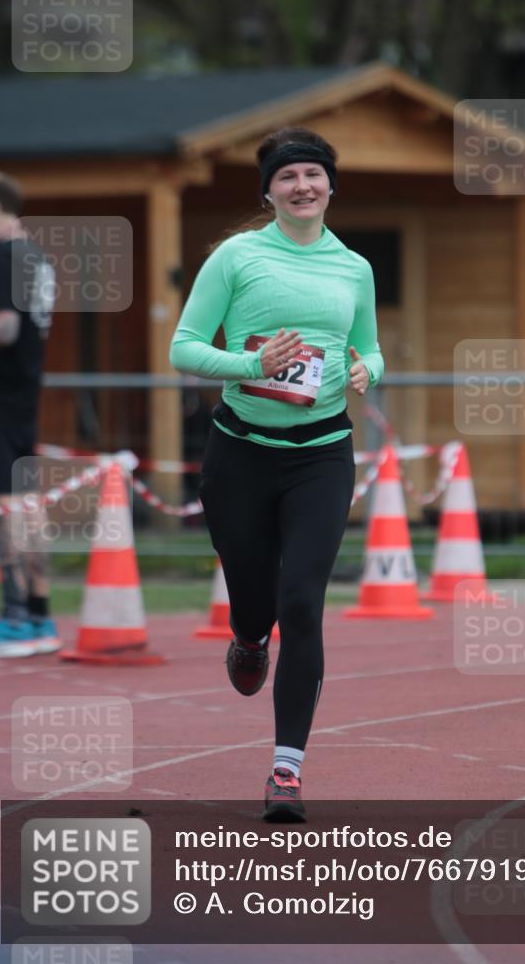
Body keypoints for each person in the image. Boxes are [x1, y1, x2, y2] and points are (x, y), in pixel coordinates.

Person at [170, 127, 384, 822]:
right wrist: (250, 367)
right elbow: (184, 347)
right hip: (240, 452)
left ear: (330, 186)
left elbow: (372, 349)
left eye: (313, 175)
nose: (302, 186)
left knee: (302, 601)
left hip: (321, 454)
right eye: (288, 176)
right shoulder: (237, 257)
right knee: (258, 603)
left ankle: (286, 769)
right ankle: (247, 636)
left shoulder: (353, 267)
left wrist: (364, 370)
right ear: (268, 192)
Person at [0, 169, 59, 658]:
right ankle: (37, 613)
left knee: (6, 507)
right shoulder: (32, 256)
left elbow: (4, 329)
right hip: (22, 395)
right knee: (24, 507)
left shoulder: (9, 258)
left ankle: (15, 617)